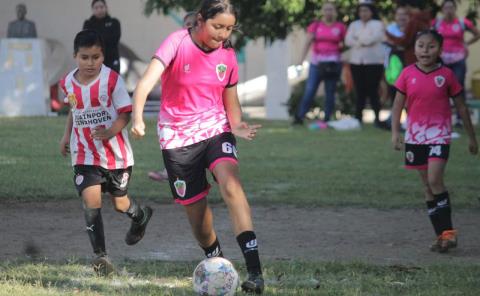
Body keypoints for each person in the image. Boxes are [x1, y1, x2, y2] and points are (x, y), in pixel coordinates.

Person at [130, 0, 264, 293]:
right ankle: (217, 263)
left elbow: (231, 101)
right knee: (198, 217)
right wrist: (138, 118)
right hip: (177, 138)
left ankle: (255, 271)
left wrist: (237, 124)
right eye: (218, 26)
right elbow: (145, 83)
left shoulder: (228, 55)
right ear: (201, 20)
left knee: (232, 186)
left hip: (215, 129)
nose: (223, 34)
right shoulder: (176, 43)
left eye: (229, 28)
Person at [59, 30, 153, 276]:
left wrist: (111, 131)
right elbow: (74, 109)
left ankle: (140, 216)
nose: (90, 63)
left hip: (116, 156)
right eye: (84, 57)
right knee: (91, 201)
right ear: (75, 56)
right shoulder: (67, 82)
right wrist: (66, 135)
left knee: (120, 204)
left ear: (103, 56)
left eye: (96, 57)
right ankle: (101, 257)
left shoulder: (112, 80)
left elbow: (124, 112)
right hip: (83, 154)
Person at [391, 29, 478, 253]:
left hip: (439, 135)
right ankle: (442, 236)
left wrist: (471, 137)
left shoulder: (447, 75)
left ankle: (448, 233)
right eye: (420, 46)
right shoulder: (407, 73)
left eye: (430, 46)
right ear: (415, 49)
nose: (425, 50)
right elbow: (397, 106)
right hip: (415, 137)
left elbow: (461, 107)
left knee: (435, 179)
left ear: (439, 49)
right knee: (427, 187)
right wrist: (394, 133)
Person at [148, 11, 199, 183]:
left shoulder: (205, 50)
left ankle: (182, 173)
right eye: (187, 24)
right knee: (173, 145)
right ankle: (171, 171)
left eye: (194, 23)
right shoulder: (175, 46)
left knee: (194, 146)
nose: (190, 27)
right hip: (174, 109)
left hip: (196, 110)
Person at [293, 2, 346, 125]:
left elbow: (346, 44)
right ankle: (299, 117)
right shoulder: (315, 26)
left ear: (335, 12)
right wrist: (301, 59)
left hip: (333, 64)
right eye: (326, 9)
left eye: (331, 9)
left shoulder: (340, 27)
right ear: (322, 11)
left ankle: (327, 118)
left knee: (330, 92)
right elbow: (307, 43)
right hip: (317, 64)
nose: (328, 12)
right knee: (310, 90)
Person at [433, 0, 480, 125]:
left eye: (451, 7)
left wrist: (467, 43)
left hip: (459, 59)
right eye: (446, 7)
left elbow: (477, 33)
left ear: (455, 9)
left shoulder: (462, 22)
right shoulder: (436, 23)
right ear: (442, 9)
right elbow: (428, 36)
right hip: (442, 59)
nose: (449, 10)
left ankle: (460, 117)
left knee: (458, 86)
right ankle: (442, 116)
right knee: (440, 87)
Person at [345, 0, 385, 126]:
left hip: (374, 62)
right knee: (360, 91)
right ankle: (358, 118)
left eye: (366, 10)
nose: (363, 13)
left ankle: (377, 118)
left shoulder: (378, 24)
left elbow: (372, 39)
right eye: (361, 11)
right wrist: (361, 41)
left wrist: (358, 40)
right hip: (357, 62)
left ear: (372, 12)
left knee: (373, 90)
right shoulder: (354, 25)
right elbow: (348, 40)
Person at [83, 0, 121, 73]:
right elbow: (86, 41)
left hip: (111, 60)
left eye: (101, 7)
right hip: (93, 62)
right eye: (96, 8)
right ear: (92, 10)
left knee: (112, 83)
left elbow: (114, 39)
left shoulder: (114, 22)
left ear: (106, 8)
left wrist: (96, 38)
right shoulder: (88, 24)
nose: (99, 10)